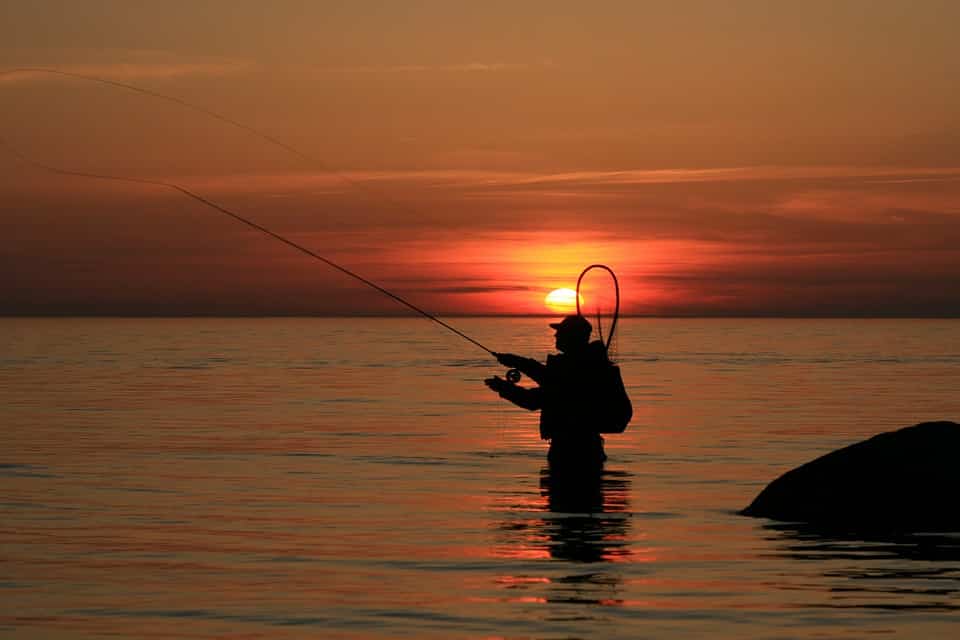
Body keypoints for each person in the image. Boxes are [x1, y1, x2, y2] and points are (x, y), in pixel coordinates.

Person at [485, 314, 631, 468]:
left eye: (560, 332)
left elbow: (534, 400)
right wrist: (515, 361)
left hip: (570, 451)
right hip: (589, 449)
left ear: (571, 338)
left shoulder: (576, 370)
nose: (556, 335)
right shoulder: (587, 366)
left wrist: (504, 388)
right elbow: (546, 376)